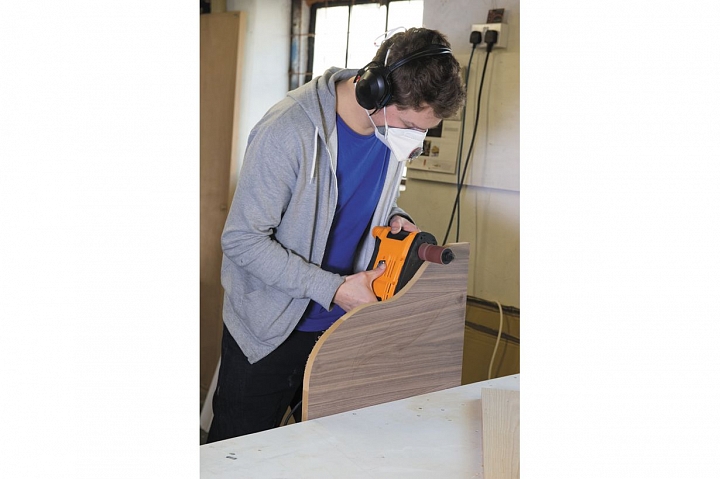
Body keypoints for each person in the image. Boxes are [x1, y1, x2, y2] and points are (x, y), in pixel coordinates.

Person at [206, 27, 465, 442]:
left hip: (345, 324)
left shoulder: (388, 131)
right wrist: (334, 288)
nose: (414, 141)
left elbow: (354, 202)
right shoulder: (288, 130)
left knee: (329, 454)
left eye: (423, 130)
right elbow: (241, 240)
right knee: (238, 454)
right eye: (409, 125)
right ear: (374, 90)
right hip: (271, 329)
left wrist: (395, 217)